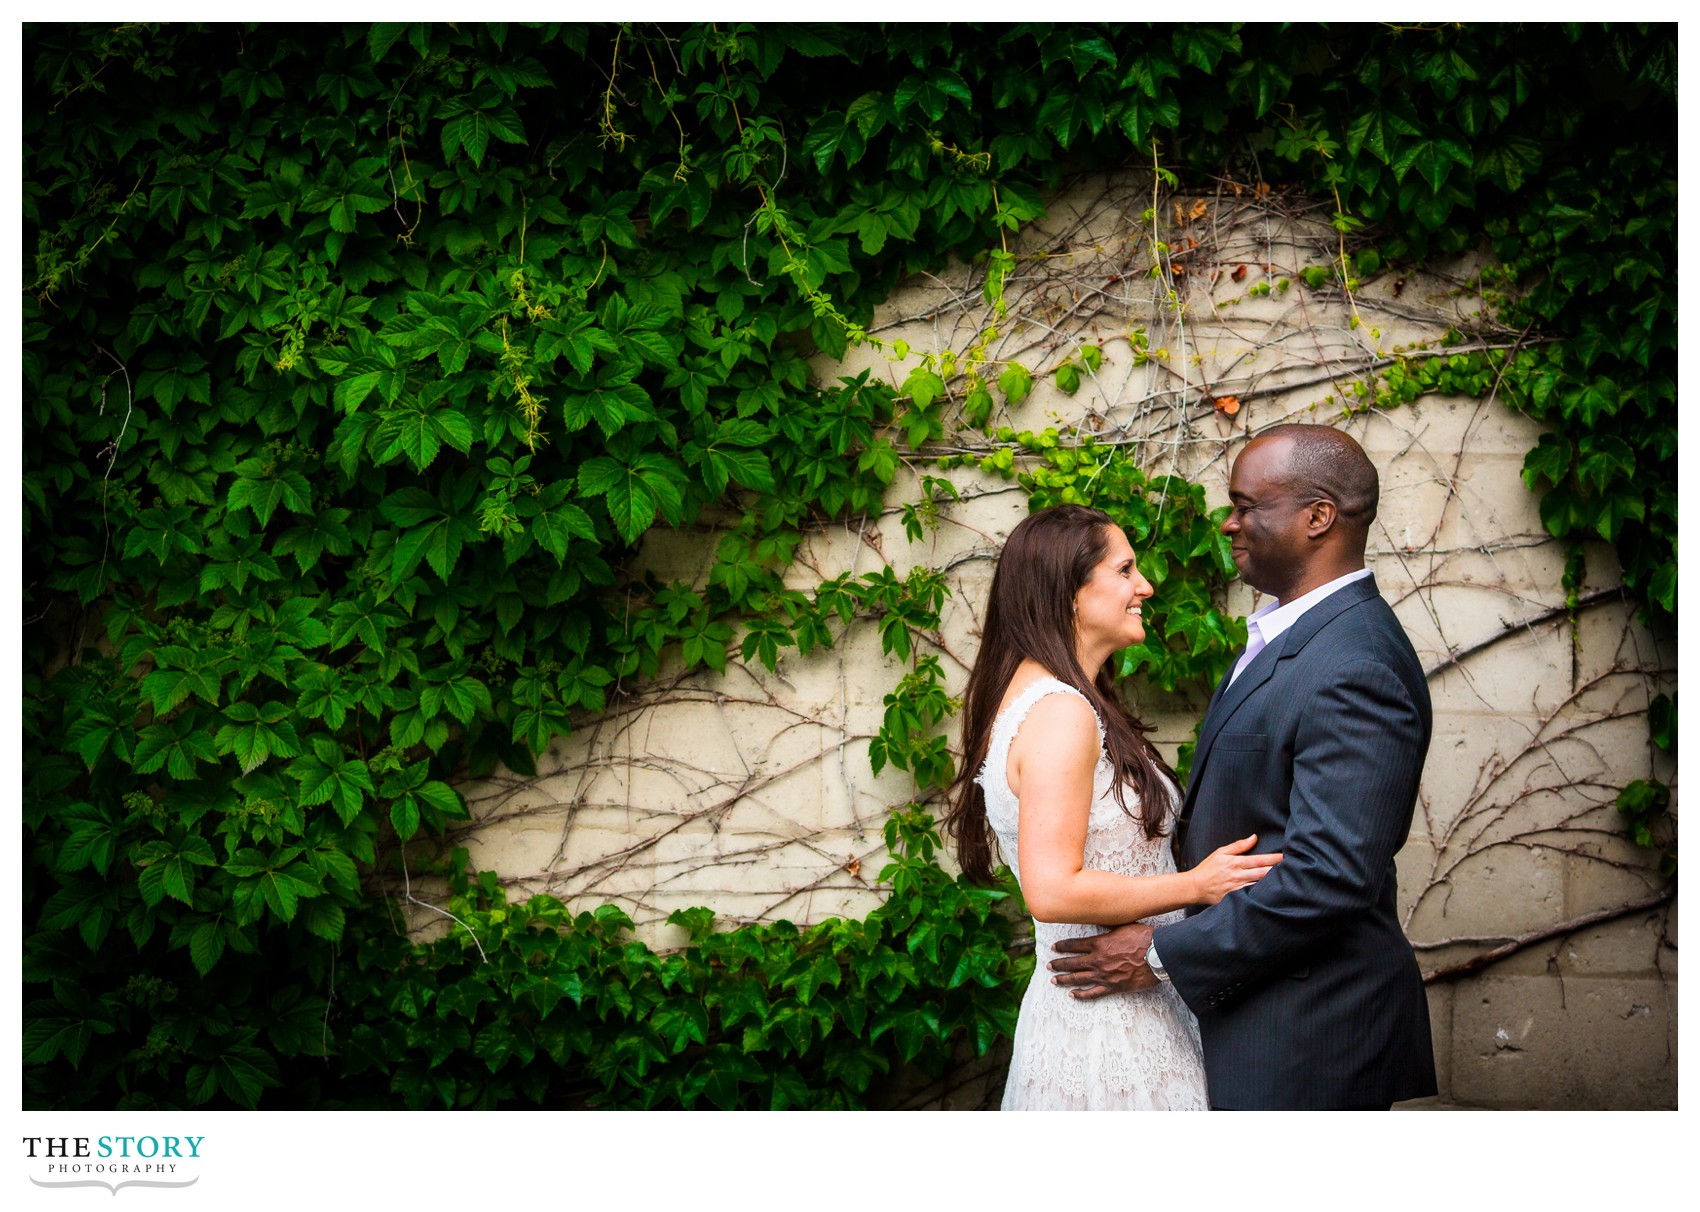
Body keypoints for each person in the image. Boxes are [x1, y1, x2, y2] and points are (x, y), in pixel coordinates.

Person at [1048, 425, 1438, 1110]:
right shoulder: (1284, 633)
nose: (1229, 522)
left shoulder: (1356, 662)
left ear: (1318, 517)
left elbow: (1330, 874)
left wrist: (1162, 955)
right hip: (1255, 1013)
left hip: (1312, 1034)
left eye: (1247, 504)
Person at [944, 503, 1283, 1110]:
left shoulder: (1059, 697)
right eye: (1125, 570)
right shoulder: (1060, 712)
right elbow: (1052, 890)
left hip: (1120, 1007)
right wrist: (1197, 886)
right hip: (1106, 1028)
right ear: (1069, 592)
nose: (1145, 586)